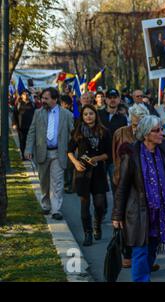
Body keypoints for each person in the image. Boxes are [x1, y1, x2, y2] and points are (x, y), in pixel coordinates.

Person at [112, 115, 165, 282]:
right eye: (157, 130)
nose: (162, 133)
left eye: (162, 129)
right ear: (146, 134)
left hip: (160, 212)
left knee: (152, 250)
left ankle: (144, 276)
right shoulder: (131, 154)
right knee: (140, 251)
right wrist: (117, 215)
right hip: (139, 212)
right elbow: (122, 186)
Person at [25, 88, 74, 220]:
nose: (43, 101)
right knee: (44, 181)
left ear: (55, 99)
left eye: (46, 98)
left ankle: (56, 209)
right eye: (42, 98)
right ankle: (46, 205)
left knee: (57, 182)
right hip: (42, 152)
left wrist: (73, 151)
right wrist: (28, 149)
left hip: (59, 153)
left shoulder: (66, 114)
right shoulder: (38, 113)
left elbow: (72, 134)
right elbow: (32, 132)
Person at [67, 105, 110, 246]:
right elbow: (69, 150)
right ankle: (88, 233)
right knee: (84, 205)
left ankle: (97, 223)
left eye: (91, 113)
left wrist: (97, 158)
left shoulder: (104, 132)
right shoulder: (78, 132)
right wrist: (75, 163)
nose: (88, 116)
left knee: (99, 204)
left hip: (98, 172)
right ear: (82, 116)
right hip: (83, 172)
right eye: (85, 114)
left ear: (96, 115)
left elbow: (108, 154)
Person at [99, 89, 128, 194]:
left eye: (115, 97)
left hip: (115, 158)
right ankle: (101, 209)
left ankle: (117, 210)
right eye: (110, 98)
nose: (112, 100)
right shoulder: (98, 114)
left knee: (116, 187)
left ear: (119, 99)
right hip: (100, 156)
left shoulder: (122, 118)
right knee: (99, 190)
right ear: (105, 100)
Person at [12, 90, 35, 159]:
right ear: (21, 96)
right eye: (24, 94)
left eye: (27, 94)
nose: (26, 95)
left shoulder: (32, 104)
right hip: (21, 127)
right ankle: (24, 156)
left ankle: (30, 155)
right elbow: (14, 114)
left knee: (30, 141)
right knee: (22, 141)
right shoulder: (18, 104)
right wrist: (14, 124)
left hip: (31, 127)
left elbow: (35, 114)